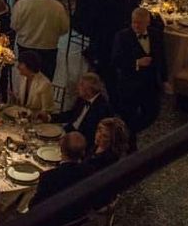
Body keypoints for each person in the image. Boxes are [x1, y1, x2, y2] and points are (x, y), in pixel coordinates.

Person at [28, 132, 90, 226]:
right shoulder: (89, 171)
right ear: (83, 152)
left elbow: (34, 208)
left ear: (61, 150)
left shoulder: (50, 178)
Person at [111, 8, 166, 141]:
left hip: (150, 84)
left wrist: (165, 79)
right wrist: (136, 62)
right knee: (129, 114)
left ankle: (128, 133)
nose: (136, 26)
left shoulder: (156, 35)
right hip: (130, 84)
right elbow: (115, 61)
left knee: (152, 113)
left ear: (147, 22)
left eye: (140, 23)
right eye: (134, 22)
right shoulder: (122, 36)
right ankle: (130, 144)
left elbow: (162, 58)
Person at [10, 0, 67, 80]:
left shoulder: (22, 4)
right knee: (45, 80)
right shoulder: (58, 7)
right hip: (48, 49)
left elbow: (14, 25)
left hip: (26, 46)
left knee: (25, 79)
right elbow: (64, 29)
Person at [51, 72, 113, 151]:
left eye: (81, 85)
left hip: (81, 144)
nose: (78, 87)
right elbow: (71, 114)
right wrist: (50, 117)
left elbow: (92, 135)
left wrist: (68, 140)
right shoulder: (82, 99)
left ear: (89, 90)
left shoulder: (102, 108)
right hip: (69, 132)